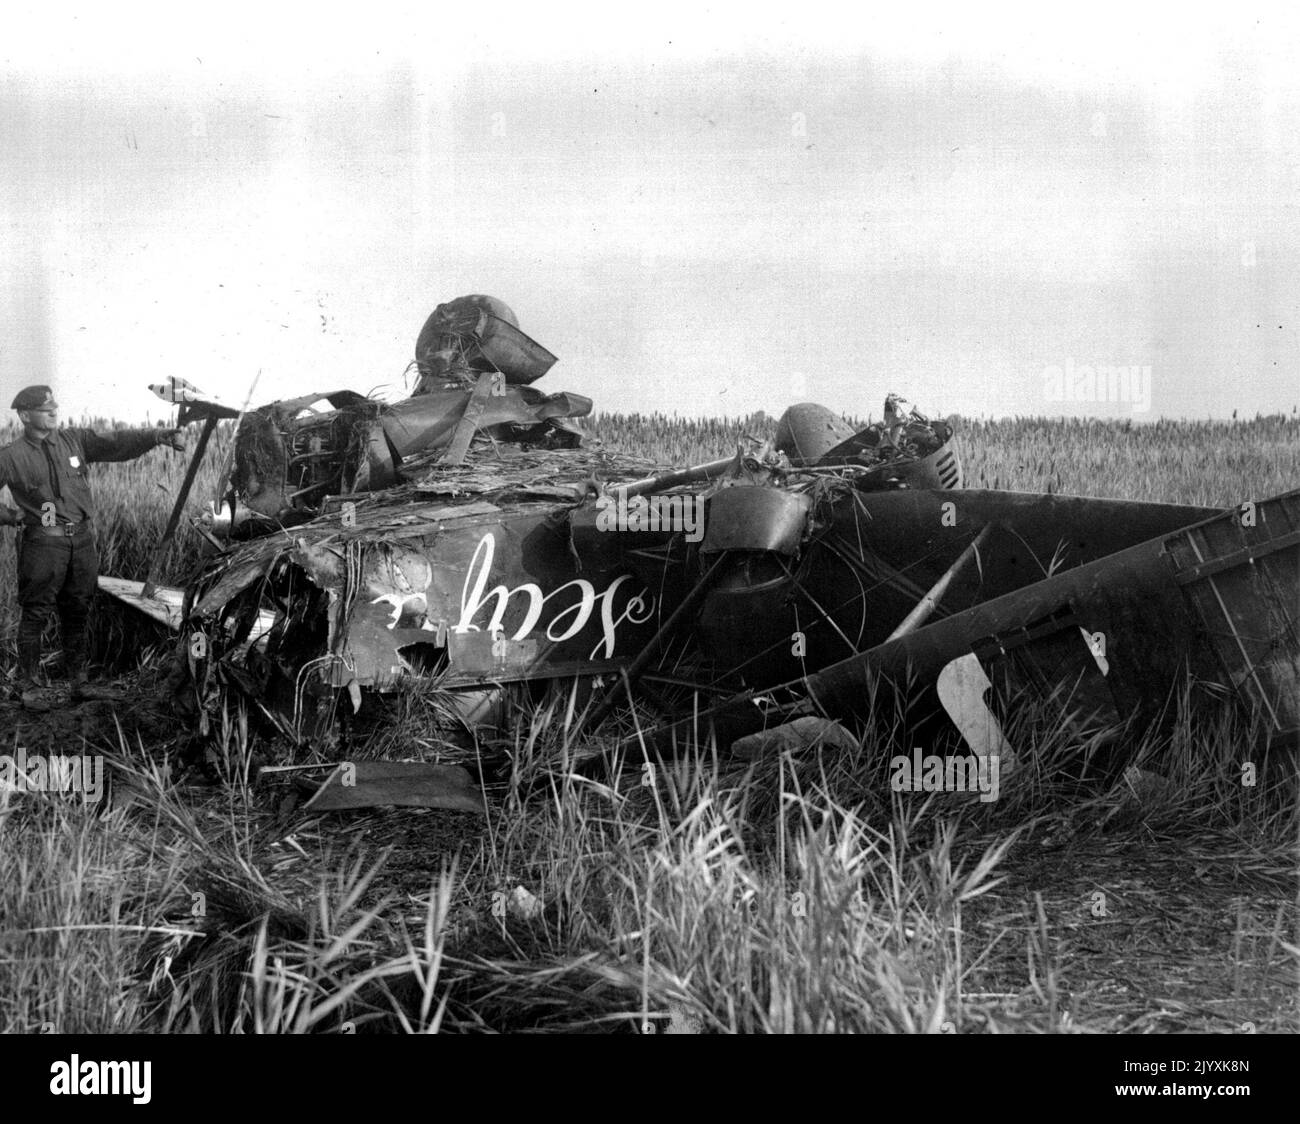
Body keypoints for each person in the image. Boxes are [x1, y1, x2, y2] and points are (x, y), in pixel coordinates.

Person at [0, 385, 184, 709]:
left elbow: (116, 443)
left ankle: (79, 685)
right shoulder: (11, 456)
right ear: (25, 415)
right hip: (43, 542)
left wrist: (157, 435)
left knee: (78, 610)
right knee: (36, 614)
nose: (53, 412)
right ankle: (28, 688)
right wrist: (13, 516)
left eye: (54, 406)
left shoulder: (74, 440)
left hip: (82, 541)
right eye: (44, 409)